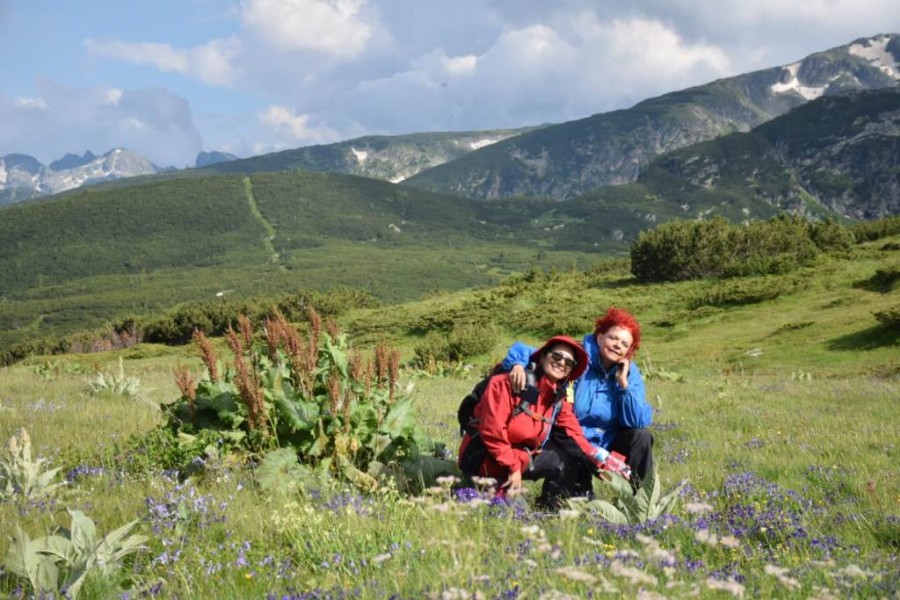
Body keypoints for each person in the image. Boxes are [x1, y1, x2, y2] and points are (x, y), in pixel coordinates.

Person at [503, 307, 653, 488]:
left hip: (607, 442)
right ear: (600, 337)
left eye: (624, 344)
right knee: (571, 504)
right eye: (613, 338)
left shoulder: (629, 373)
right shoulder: (578, 358)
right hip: (571, 439)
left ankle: (642, 500)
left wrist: (623, 385)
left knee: (641, 436)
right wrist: (517, 363)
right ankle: (553, 497)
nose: (617, 345)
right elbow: (529, 351)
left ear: (628, 351)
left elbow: (637, 421)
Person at [457, 335, 608, 508]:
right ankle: (472, 488)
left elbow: (573, 432)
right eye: (557, 356)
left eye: (569, 362)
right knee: (517, 514)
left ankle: (550, 508)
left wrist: (598, 461)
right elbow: (492, 432)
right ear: (543, 356)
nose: (562, 363)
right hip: (485, 461)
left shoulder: (557, 399)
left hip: (519, 460)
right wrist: (513, 468)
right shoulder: (507, 383)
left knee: (568, 457)